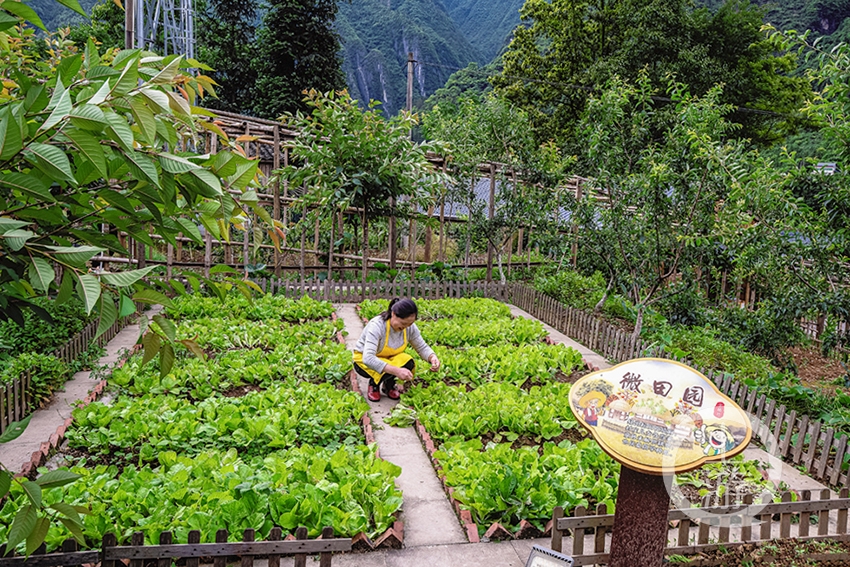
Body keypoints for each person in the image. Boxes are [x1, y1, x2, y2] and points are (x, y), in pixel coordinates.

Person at [353, 298, 440, 401]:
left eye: (409, 324)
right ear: (393, 314)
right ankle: (374, 384)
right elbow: (368, 358)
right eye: (403, 323)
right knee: (388, 367)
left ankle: (389, 385)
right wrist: (396, 371)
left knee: (408, 362)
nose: (405, 327)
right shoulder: (377, 326)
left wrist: (432, 357)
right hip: (363, 360)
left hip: (389, 358)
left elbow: (421, 347)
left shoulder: (409, 327)